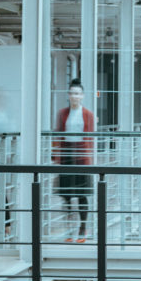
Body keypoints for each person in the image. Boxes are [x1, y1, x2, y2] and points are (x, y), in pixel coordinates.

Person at [52, 78, 96, 243]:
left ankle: (83, 229)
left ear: (82, 96)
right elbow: (58, 136)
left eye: (77, 93)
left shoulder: (88, 115)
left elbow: (90, 139)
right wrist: (58, 158)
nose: (74, 96)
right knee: (67, 195)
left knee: (82, 195)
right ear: (68, 95)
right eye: (72, 93)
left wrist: (87, 158)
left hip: (82, 157)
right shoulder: (62, 113)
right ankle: (70, 229)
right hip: (66, 155)